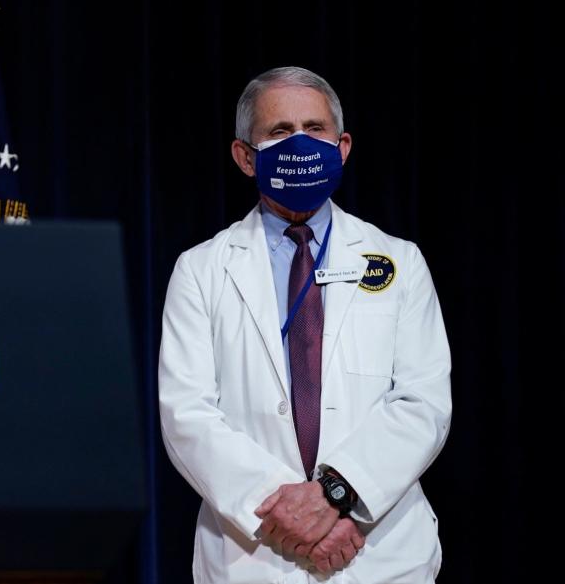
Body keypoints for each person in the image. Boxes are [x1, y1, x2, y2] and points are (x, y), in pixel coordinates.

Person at [158, 67, 451, 582]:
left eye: (314, 130)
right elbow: (188, 416)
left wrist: (338, 494)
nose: (299, 145)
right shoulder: (201, 269)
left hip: (380, 553)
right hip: (253, 557)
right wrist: (292, 514)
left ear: (341, 148)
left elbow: (422, 403)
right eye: (279, 132)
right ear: (245, 158)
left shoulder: (399, 261)